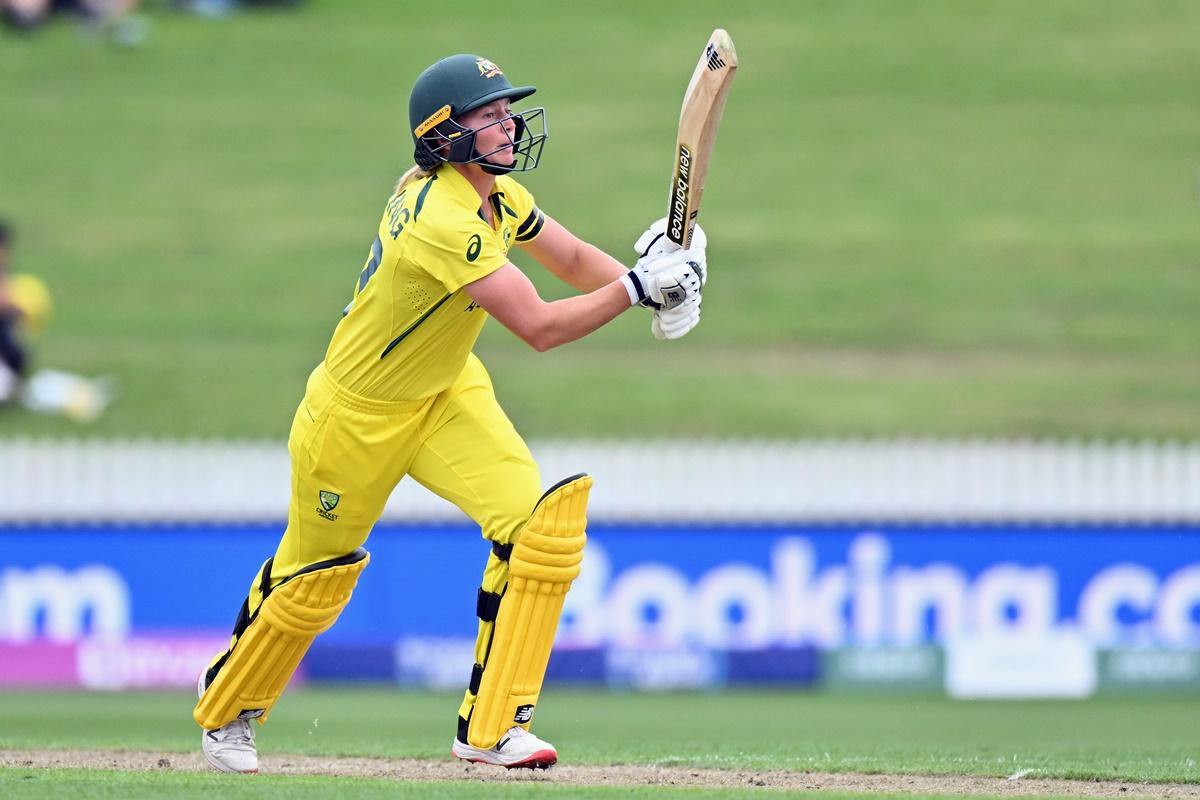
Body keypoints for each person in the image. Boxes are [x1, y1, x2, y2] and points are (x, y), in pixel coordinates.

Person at [193, 53, 707, 775]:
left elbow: (572, 261)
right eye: (489, 114)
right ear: (444, 136)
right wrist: (636, 289)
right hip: (356, 416)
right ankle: (229, 708)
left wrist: (661, 266)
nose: (509, 123)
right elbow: (540, 328)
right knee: (314, 577)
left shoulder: (500, 196)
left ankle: (492, 729)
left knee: (539, 532)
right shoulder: (439, 217)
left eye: (507, 110)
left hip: (446, 393)